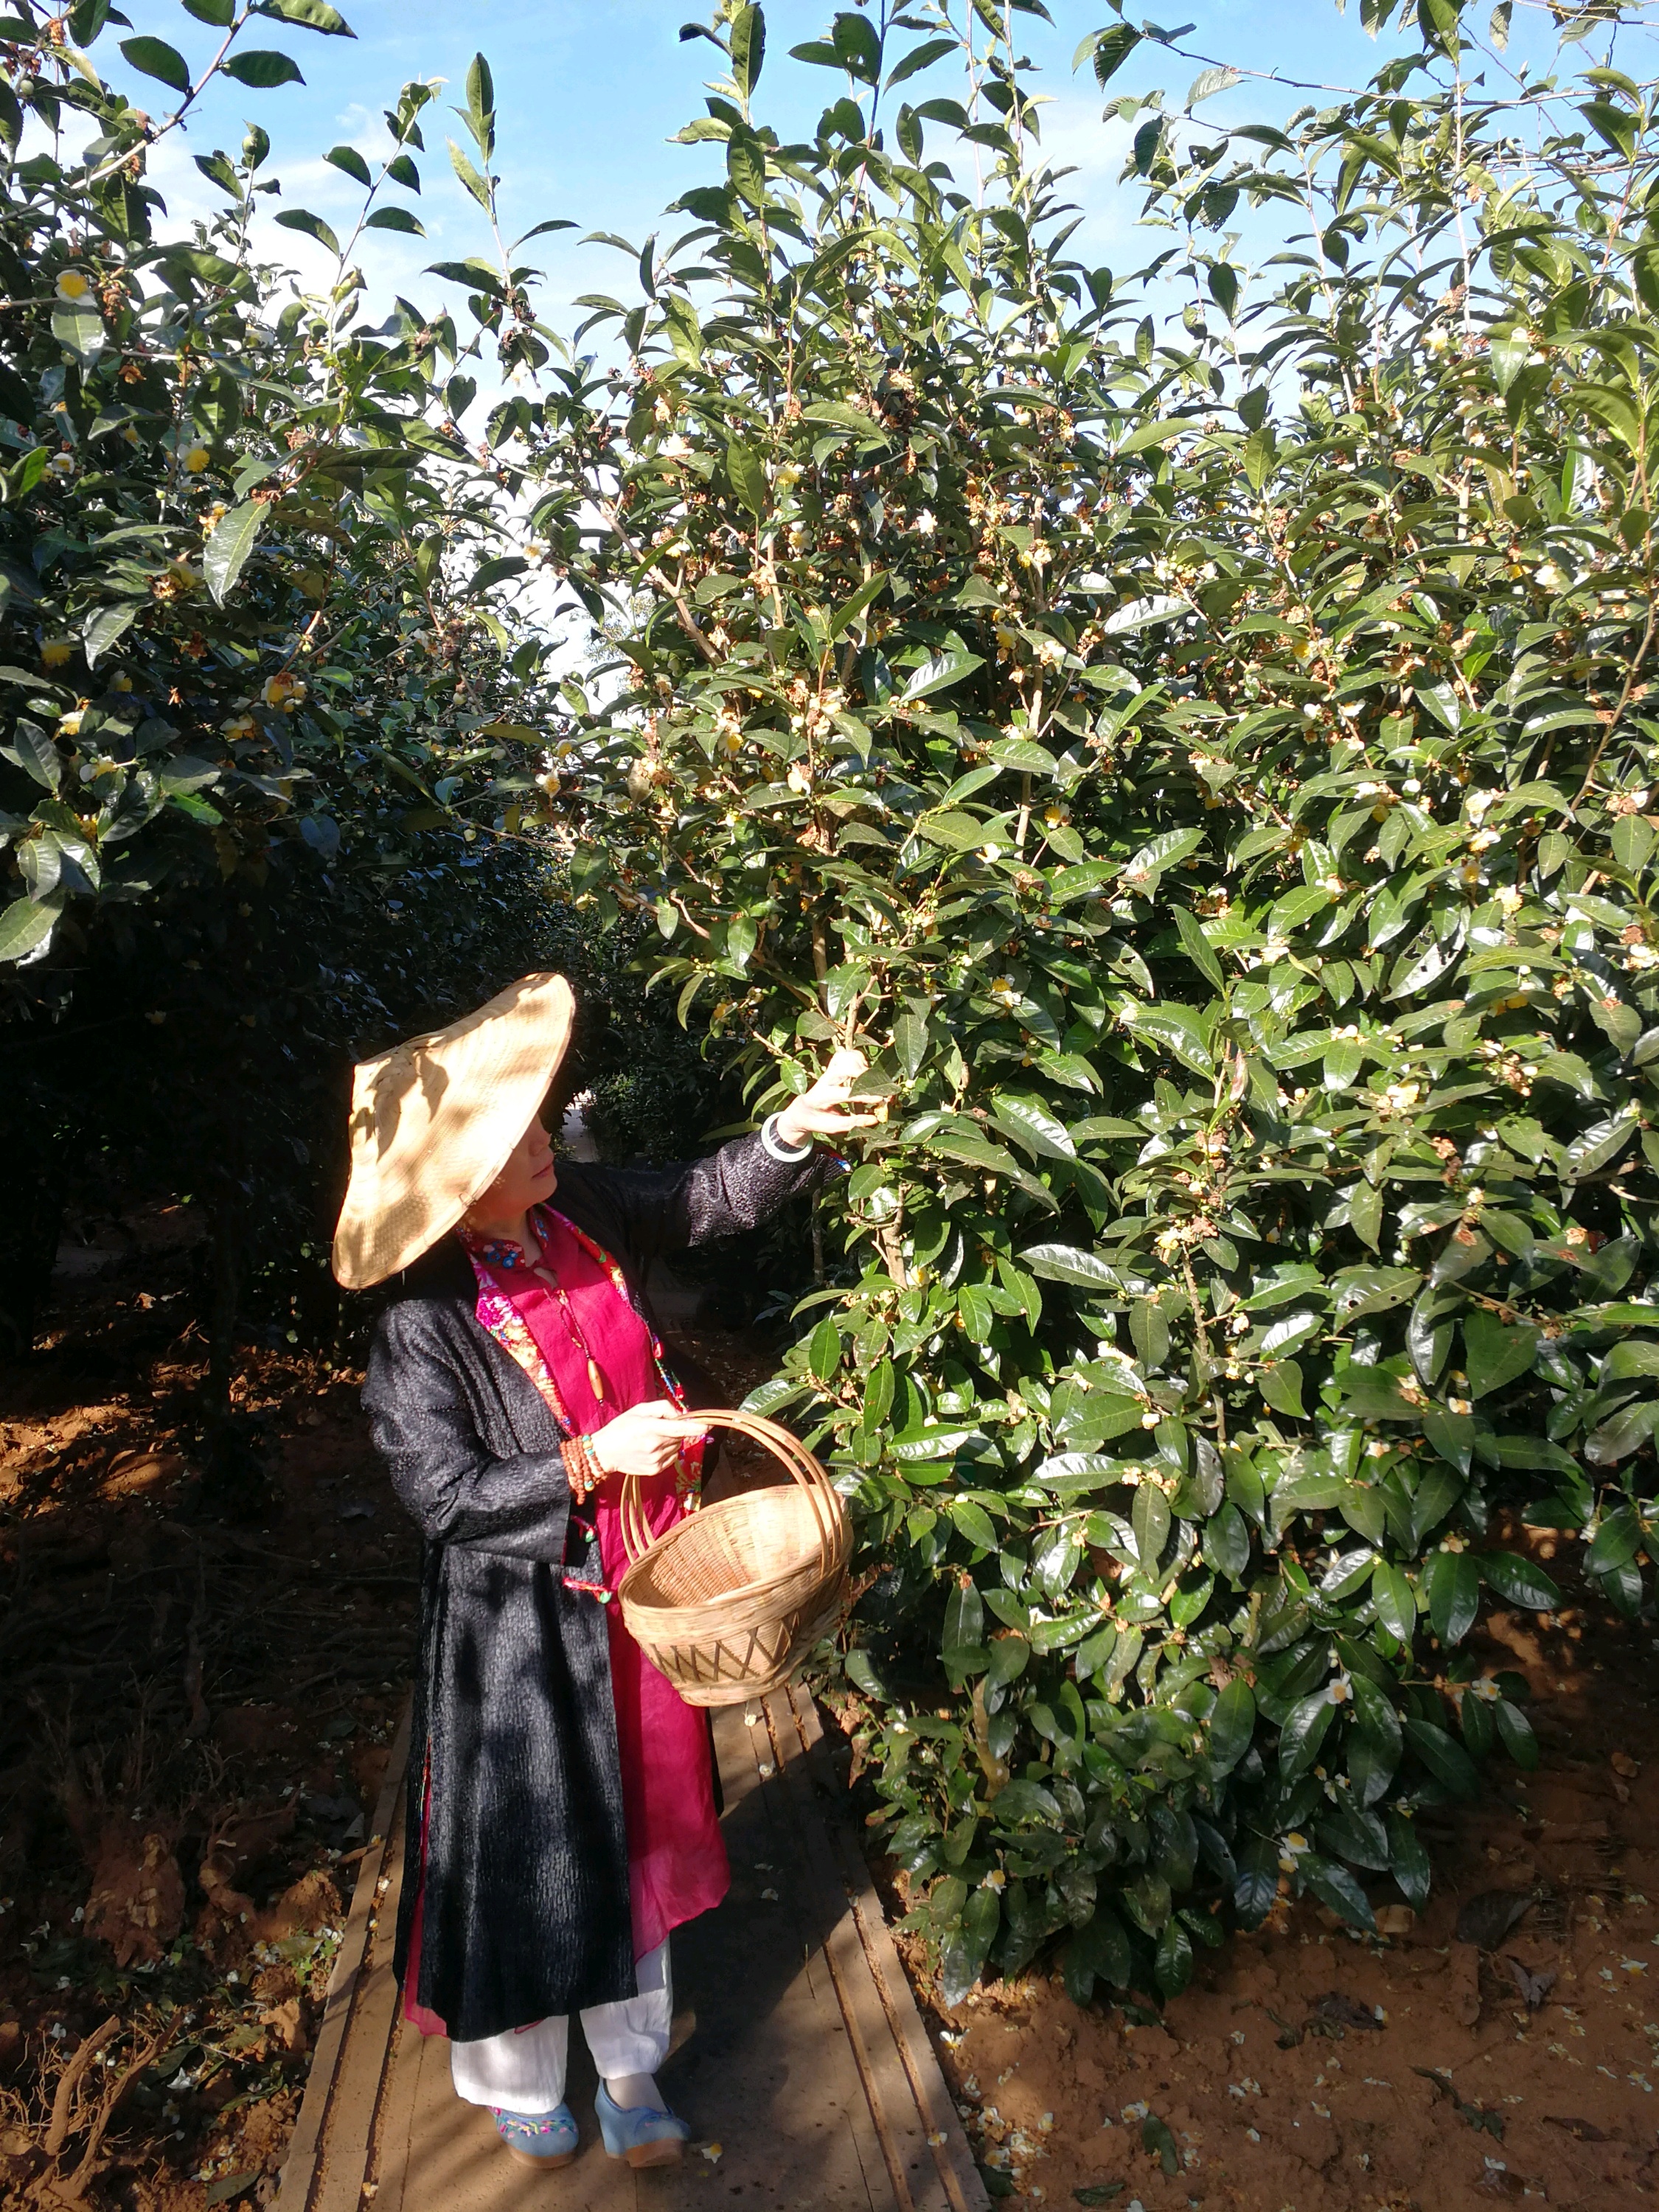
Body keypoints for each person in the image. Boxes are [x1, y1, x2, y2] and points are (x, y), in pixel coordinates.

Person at [331, 973, 874, 2171]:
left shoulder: (575, 1206)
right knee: (530, 1846)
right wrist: (587, 1458)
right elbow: (441, 1498)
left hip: (648, 1586)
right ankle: (516, 2072)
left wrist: (797, 1129)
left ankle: (630, 2067)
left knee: (641, 1823)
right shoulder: (425, 1324)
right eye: (515, 1131)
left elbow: (697, 1199)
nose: (546, 1132)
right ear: (457, 1187)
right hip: (524, 1629)